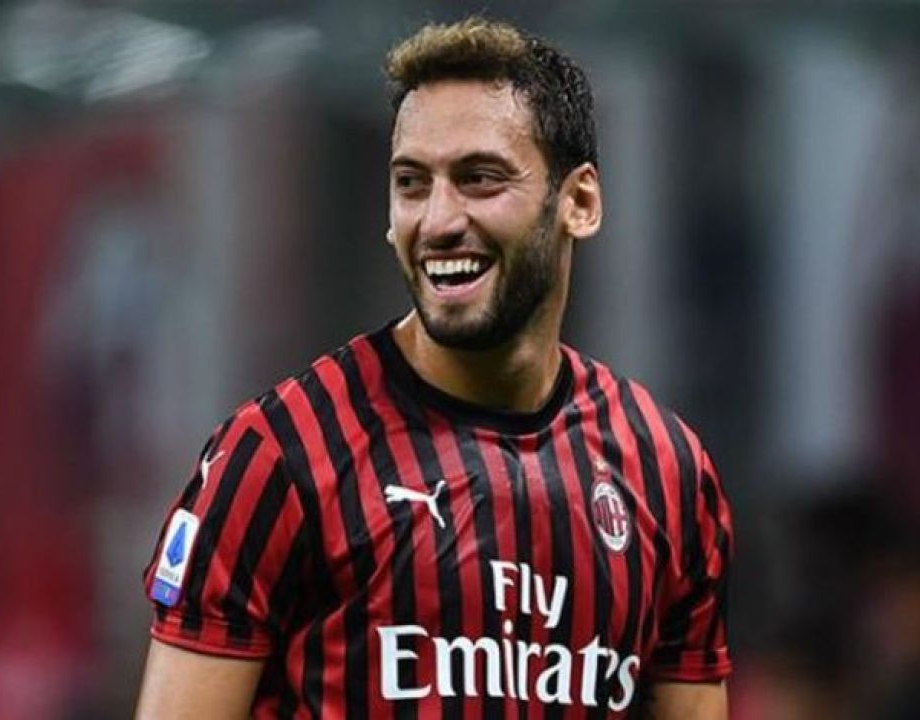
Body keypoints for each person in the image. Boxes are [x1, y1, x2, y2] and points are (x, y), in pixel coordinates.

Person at [135, 17, 733, 719]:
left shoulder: (667, 472)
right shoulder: (276, 455)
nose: (439, 220)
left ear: (579, 202)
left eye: (479, 179)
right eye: (413, 184)